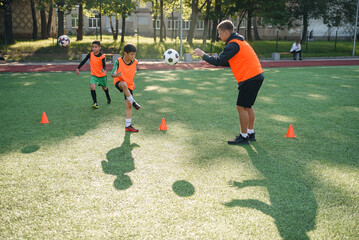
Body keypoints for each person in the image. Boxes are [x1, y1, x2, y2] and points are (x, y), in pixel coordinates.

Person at [193, 20, 264, 145]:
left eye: (220, 33)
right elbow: (226, 61)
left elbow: (218, 61)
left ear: (226, 32)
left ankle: (243, 137)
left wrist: (203, 55)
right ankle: (250, 133)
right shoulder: (239, 41)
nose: (219, 36)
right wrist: (211, 59)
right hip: (257, 75)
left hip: (250, 78)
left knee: (241, 106)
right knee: (248, 106)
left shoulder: (233, 44)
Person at [111, 44, 141, 132]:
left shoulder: (135, 62)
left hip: (129, 84)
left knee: (128, 106)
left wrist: (132, 82)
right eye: (131, 54)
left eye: (134, 54)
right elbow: (112, 74)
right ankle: (134, 102)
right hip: (119, 82)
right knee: (124, 84)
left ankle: (128, 126)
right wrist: (116, 75)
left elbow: (133, 73)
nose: (133, 56)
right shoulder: (118, 61)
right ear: (125, 53)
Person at [76, 40, 111, 109]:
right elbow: (84, 61)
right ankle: (95, 103)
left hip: (102, 75)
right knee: (92, 86)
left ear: (99, 48)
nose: (94, 48)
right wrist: (78, 68)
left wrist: (103, 69)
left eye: (96, 47)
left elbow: (104, 65)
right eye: (93, 47)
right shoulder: (90, 54)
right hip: (94, 75)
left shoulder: (102, 56)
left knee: (104, 88)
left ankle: (108, 96)